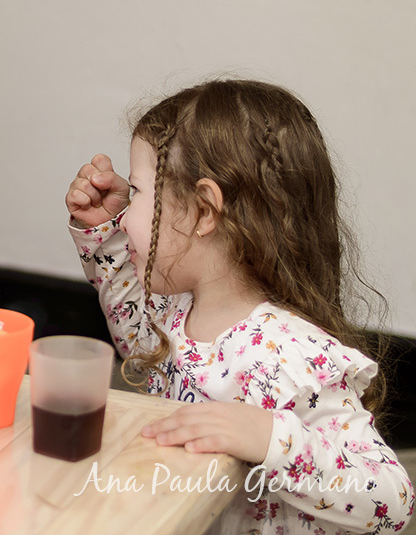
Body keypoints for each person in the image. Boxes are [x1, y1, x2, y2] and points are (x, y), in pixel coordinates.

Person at [65, 79, 413, 533]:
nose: (127, 214)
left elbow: (392, 499)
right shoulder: (180, 310)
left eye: (137, 194)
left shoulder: (293, 354)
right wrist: (106, 235)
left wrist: (271, 439)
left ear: (204, 212)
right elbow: (139, 340)